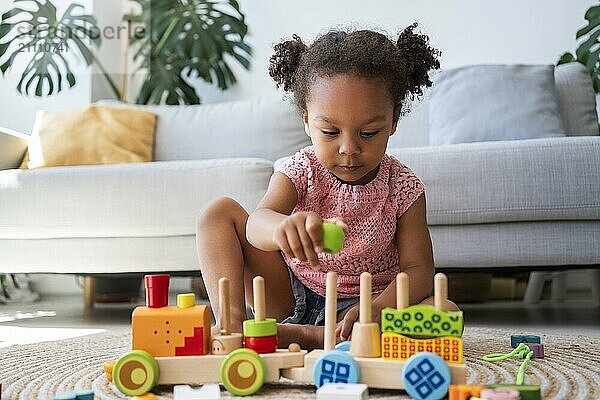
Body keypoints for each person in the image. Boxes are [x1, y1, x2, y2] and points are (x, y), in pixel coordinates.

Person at [196, 23, 456, 350]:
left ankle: (311, 336)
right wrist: (282, 229)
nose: (349, 148)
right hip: (291, 296)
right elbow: (256, 223)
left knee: (444, 311)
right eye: (331, 132)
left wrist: (377, 308)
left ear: (393, 120)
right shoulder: (301, 170)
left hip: (365, 307)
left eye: (369, 133)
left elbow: (419, 269)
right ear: (306, 120)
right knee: (217, 213)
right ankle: (232, 325)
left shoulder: (403, 187)